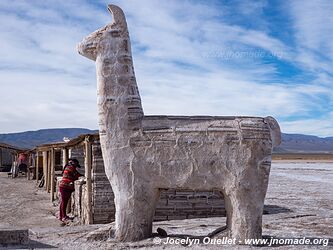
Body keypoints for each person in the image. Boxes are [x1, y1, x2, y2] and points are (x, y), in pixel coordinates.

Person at [59, 158, 82, 222]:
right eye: (76, 165)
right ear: (74, 164)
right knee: (64, 202)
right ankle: (63, 216)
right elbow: (77, 175)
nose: (76, 167)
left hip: (64, 187)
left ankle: (61, 216)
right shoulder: (71, 168)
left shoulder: (67, 167)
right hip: (65, 187)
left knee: (63, 202)